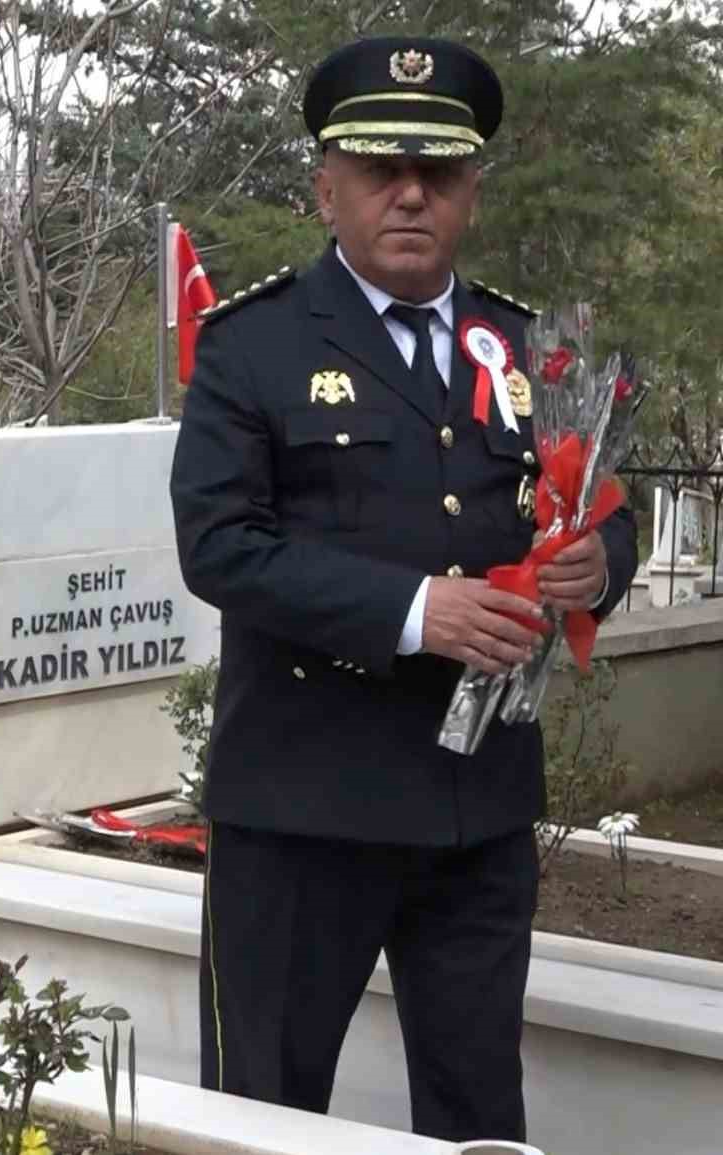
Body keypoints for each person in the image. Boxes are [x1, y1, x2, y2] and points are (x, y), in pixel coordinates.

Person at [167, 36, 638, 1143]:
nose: (411, 193)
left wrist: (597, 566)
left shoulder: (524, 348)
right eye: (382, 169)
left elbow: (602, 507)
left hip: (475, 815)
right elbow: (220, 546)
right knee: (267, 1115)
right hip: (302, 809)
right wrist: (419, 612)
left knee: (478, 1118)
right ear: (326, 187)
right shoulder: (254, 345)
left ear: (472, 191)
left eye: (439, 171)